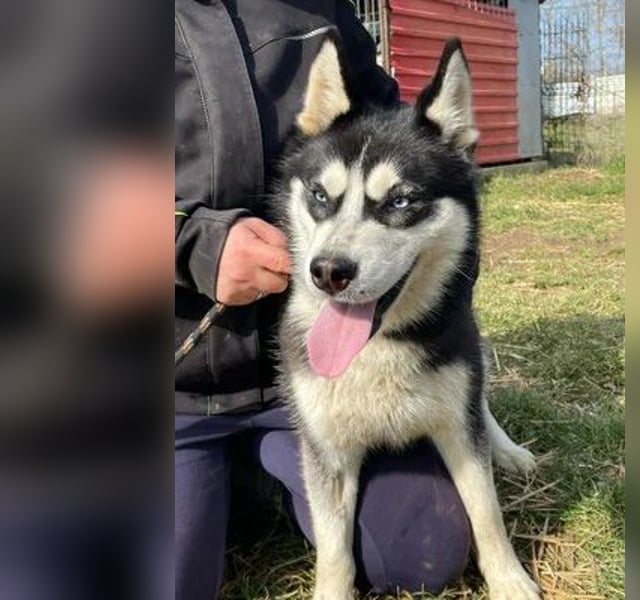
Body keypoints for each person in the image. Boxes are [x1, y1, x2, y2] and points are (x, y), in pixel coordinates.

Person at [174, 1, 472, 598]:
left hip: (321, 365)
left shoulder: (317, 6)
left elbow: (402, 140)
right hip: (177, 384)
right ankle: (217, 481)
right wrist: (193, 245)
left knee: (418, 555)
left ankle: (259, 477)